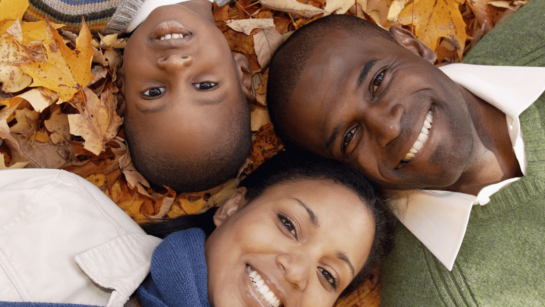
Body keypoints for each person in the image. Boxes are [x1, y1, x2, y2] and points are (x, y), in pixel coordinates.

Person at [266, 1, 545, 305]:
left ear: (413, 46)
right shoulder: (428, 298)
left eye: (379, 80)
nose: (388, 127)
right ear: (349, 176)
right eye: (349, 137)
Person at [0, 150, 393, 306]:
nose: (295, 270)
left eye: (328, 276)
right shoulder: (51, 210)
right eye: (289, 225)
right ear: (233, 207)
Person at [23, 0, 256, 193]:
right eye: (205, 85)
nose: (175, 64)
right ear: (243, 75)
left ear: (121, 89)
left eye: (154, 92)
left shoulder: (67, 9)